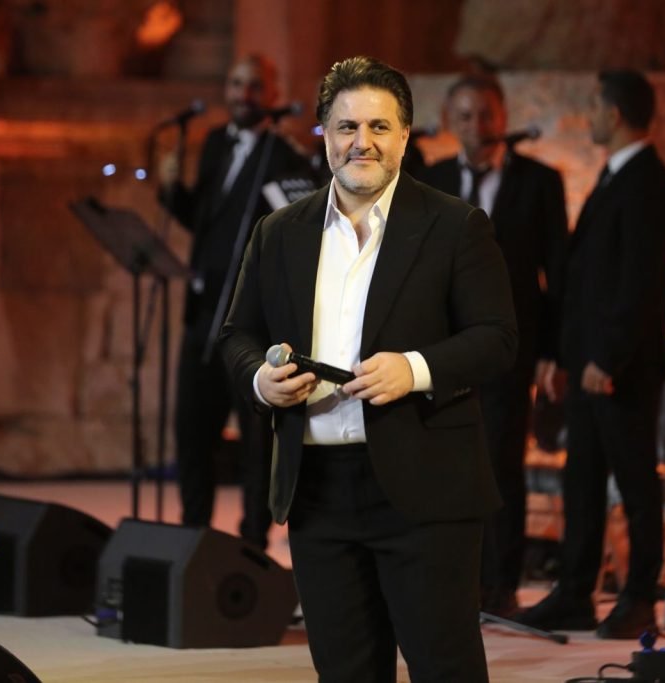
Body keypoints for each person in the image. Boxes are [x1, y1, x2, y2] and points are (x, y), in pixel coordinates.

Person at [219, 56, 518, 682]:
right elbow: (236, 334)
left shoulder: (455, 225)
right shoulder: (279, 231)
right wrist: (260, 381)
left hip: (425, 489)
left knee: (446, 670)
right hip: (317, 492)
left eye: (380, 127)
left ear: (405, 136)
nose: (363, 142)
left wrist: (415, 368)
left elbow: (497, 339)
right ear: (324, 135)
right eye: (347, 126)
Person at [515, 69, 665, 639]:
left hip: (619, 370)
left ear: (614, 114)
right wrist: (562, 354)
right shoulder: (614, 177)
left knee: (635, 482)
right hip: (587, 365)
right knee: (582, 480)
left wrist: (608, 359)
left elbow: (638, 283)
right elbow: (584, 278)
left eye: (594, 106)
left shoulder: (647, 183)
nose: (589, 117)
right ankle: (574, 592)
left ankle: (639, 597)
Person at [422, 74, 567, 617]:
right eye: (465, 116)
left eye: (486, 114)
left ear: (503, 117)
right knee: (446, 464)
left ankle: (502, 583)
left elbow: (558, 273)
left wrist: (555, 351)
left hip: (510, 346)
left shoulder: (540, 182)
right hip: (444, 349)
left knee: (502, 462)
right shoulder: (432, 179)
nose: (477, 126)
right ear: (450, 121)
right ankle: (452, 579)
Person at [158, 54, 310, 546]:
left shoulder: (283, 156)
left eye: (255, 86)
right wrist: (171, 191)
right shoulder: (215, 144)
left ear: (273, 94)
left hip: (251, 322)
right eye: (237, 83)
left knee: (255, 437)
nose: (244, 95)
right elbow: (206, 223)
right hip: (204, 310)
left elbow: (293, 232)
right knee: (192, 428)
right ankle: (192, 536)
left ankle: (252, 544)